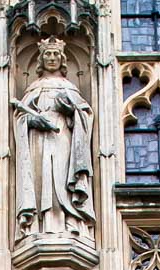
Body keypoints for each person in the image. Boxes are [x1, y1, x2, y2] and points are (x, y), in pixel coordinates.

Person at [12, 37, 95, 241]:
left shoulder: (70, 87)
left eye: (55, 54)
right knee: (43, 180)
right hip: (38, 141)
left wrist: (71, 112)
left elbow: (85, 114)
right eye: (47, 54)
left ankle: (70, 221)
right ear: (41, 59)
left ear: (62, 58)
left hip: (63, 138)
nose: (51, 58)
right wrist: (31, 120)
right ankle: (41, 224)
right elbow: (20, 117)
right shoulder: (34, 87)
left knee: (61, 176)